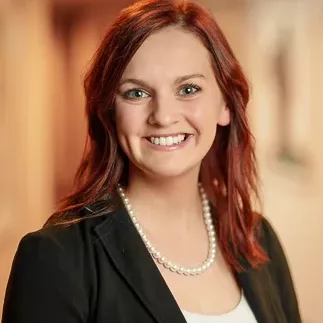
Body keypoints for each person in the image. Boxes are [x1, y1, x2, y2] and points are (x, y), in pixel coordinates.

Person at [2, 0, 302, 322]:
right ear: (109, 112)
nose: (163, 116)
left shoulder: (258, 239)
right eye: (136, 93)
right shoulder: (55, 258)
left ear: (225, 105)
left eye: (188, 89)